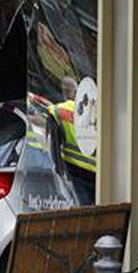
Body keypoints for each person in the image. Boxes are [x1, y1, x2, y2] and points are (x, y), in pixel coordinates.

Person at [47, 76, 96, 206]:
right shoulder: (93, 110)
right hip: (97, 169)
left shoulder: (57, 111)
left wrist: (59, 171)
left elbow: (54, 147)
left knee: (83, 208)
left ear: (64, 93)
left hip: (75, 169)